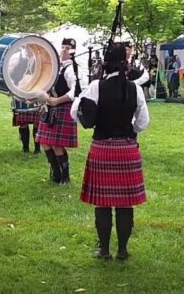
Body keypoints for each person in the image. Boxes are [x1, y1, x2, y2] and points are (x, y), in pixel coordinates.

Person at [71, 42, 150, 261]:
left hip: (103, 148)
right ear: (125, 64)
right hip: (126, 148)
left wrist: (83, 97)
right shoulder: (135, 88)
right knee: (125, 204)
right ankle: (123, 250)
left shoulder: (96, 86)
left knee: (103, 204)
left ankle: (104, 250)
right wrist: (128, 130)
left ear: (105, 63)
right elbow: (143, 123)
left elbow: (76, 113)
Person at [36, 38, 79, 185]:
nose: (64, 50)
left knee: (56, 144)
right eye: (63, 47)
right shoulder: (55, 66)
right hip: (50, 106)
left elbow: (75, 91)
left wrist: (57, 100)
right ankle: (55, 172)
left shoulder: (72, 69)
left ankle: (65, 176)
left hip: (63, 106)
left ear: (73, 51)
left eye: (68, 48)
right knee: (44, 142)